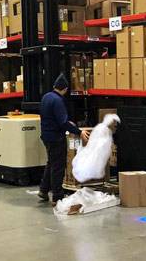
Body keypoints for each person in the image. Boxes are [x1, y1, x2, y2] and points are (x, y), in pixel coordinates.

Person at [38, 73, 89, 205]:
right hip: (56, 138)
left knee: (51, 163)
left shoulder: (46, 97)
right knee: (58, 166)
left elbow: (53, 118)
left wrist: (66, 122)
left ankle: (43, 190)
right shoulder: (58, 101)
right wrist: (79, 132)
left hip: (46, 136)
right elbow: (63, 123)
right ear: (65, 89)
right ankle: (57, 196)